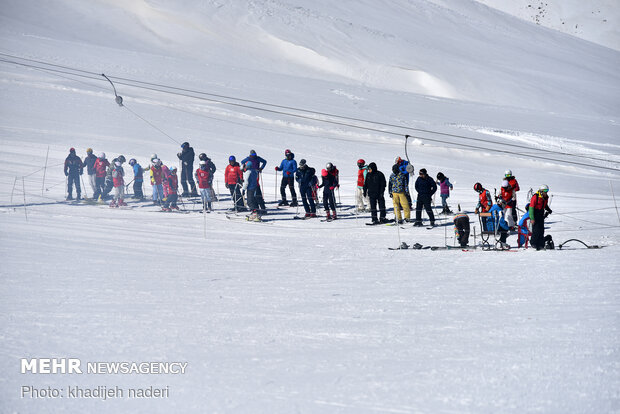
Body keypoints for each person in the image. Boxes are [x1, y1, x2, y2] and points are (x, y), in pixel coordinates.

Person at [529, 184, 553, 250]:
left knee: (541, 230)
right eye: (545, 191)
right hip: (535, 214)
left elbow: (545, 205)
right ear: (541, 191)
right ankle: (533, 244)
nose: (546, 192)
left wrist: (548, 210)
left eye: (547, 191)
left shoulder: (545, 197)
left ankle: (540, 244)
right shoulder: (535, 197)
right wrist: (532, 218)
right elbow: (531, 208)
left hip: (541, 214)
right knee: (536, 230)